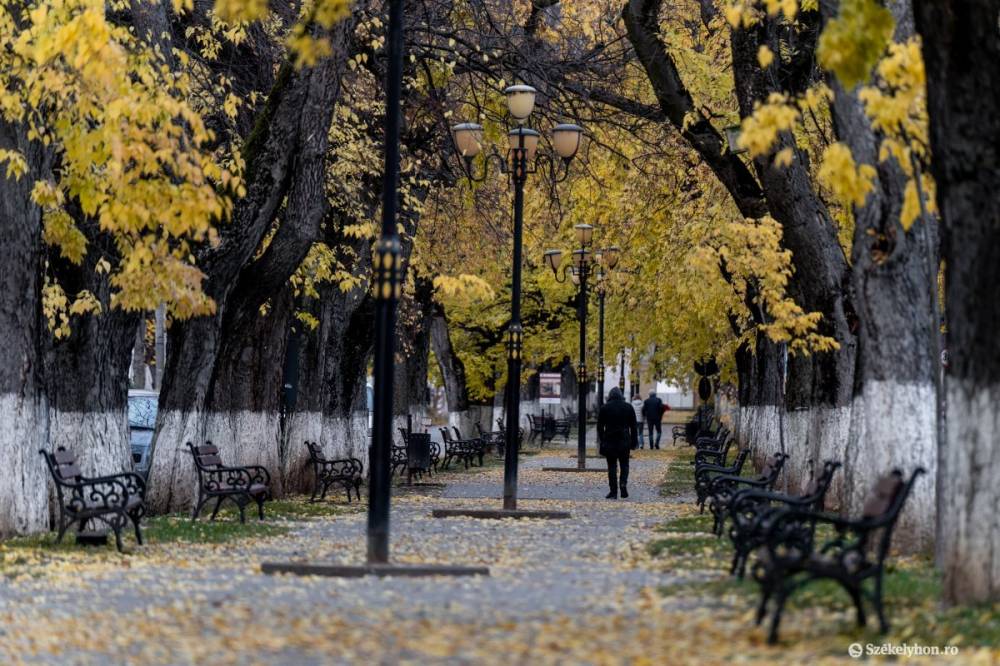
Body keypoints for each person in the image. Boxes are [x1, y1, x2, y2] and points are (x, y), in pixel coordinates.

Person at [597, 387, 639, 499]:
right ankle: (623, 483)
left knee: (612, 466)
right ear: (621, 395)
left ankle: (613, 491)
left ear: (610, 395)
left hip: (610, 441)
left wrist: (602, 440)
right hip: (624, 440)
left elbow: (600, 427)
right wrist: (634, 442)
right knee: (624, 464)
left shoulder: (605, 408)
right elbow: (634, 427)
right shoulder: (628, 407)